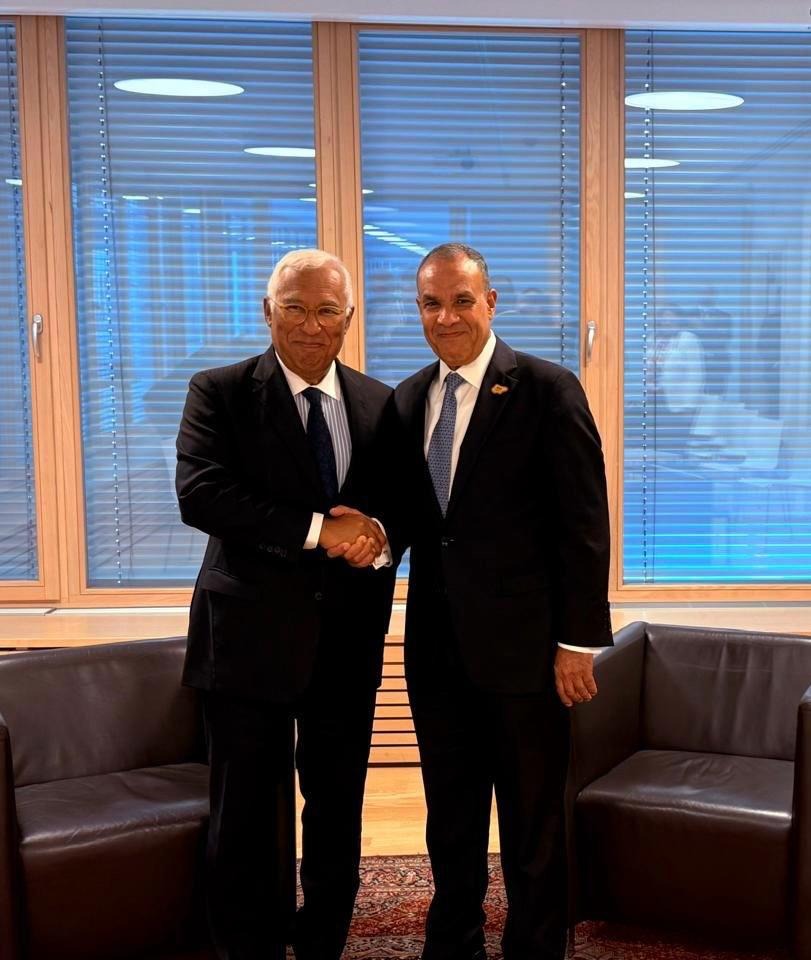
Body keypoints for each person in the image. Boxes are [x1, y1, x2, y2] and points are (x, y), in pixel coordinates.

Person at [361, 242, 611, 960]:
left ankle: (535, 947)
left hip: (528, 653)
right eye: (431, 303)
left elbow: (583, 524)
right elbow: (407, 516)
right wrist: (369, 536)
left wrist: (576, 642)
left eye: (461, 300)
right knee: (451, 814)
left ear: (490, 302)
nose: (446, 317)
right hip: (436, 651)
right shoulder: (408, 399)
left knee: (532, 820)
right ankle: (454, 942)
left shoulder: (547, 389)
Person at [176, 249, 396, 960]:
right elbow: (201, 494)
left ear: (348, 318)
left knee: (336, 807)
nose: (310, 325)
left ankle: (323, 941)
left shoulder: (379, 402)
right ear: (267, 311)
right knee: (244, 813)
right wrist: (317, 531)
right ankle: (248, 947)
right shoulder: (219, 391)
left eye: (327, 310)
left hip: (347, 643)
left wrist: (377, 537)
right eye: (294, 308)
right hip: (246, 640)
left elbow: (398, 506)